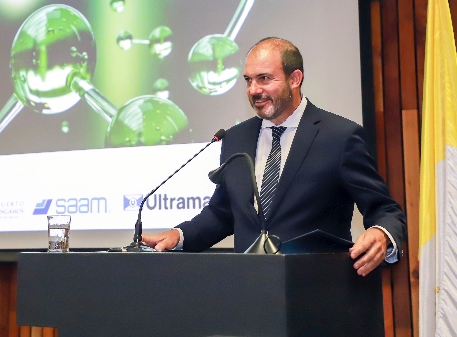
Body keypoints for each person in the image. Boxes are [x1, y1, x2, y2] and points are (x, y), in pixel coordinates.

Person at [142, 37, 406, 276]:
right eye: (248, 80)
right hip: (249, 290)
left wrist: (381, 233)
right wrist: (179, 235)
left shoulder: (339, 136)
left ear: (295, 79)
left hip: (317, 289)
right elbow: (223, 213)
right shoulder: (236, 138)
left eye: (264, 78)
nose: (253, 90)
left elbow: (385, 210)